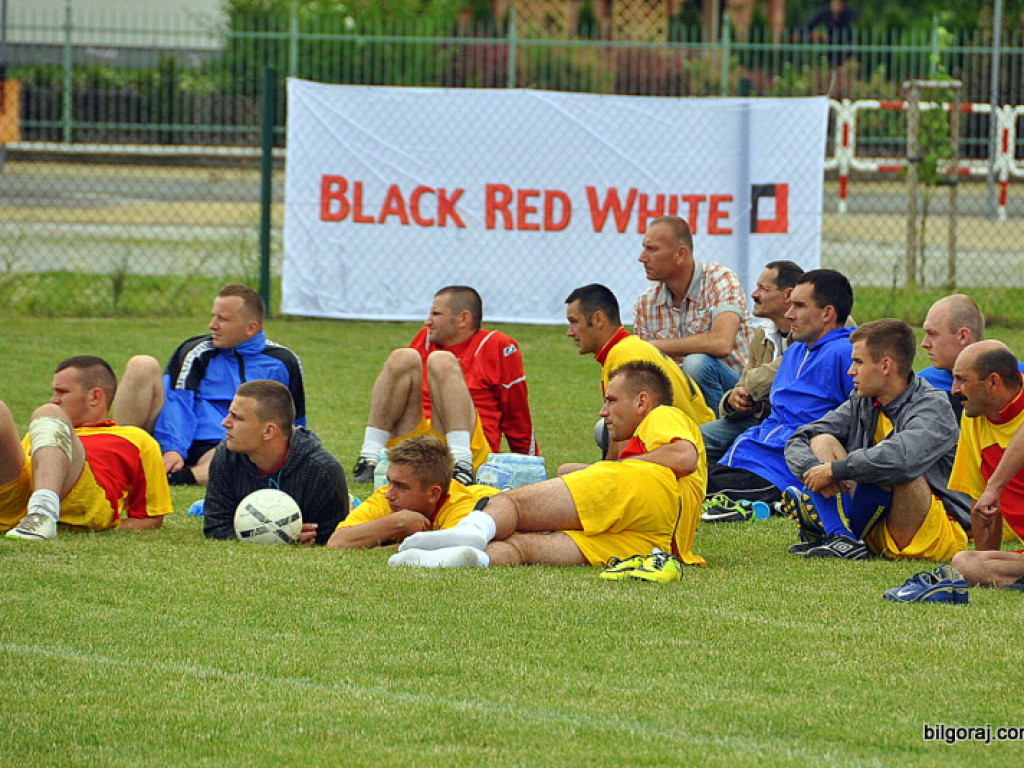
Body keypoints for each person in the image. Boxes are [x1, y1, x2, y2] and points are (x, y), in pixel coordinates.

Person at [389, 361, 706, 571]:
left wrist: (614, 468)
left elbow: (683, 457)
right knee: (522, 549)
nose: (603, 410)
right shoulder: (646, 449)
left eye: (611, 400)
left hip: (645, 495)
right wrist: (592, 471)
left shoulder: (663, 415)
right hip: (658, 543)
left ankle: (470, 532)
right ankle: (462, 559)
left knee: (510, 503)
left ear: (641, 401)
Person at [783, 319, 969, 560]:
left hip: (932, 534)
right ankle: (840, 536)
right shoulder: (863, 401)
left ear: (885, 366)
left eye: (858, 362)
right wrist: (813, 471)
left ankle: (825, 524)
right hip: (877, 523)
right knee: (821, 440)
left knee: (896, 466)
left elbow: (901, 460)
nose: (851, 371)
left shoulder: (933, 406)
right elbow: (800, 436)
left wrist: (836, 470)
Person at [113, 284, 306, 487]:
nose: (212, 325)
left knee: (238, 455)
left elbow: (293, 418)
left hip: (228, 445)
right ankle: (119, 456)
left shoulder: (284, 361)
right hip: (179, 435)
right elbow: (178, 404)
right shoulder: (196, 352)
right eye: (213, 316)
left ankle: (173, 478)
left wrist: (297, 454)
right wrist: (173, 449)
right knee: (141, 364)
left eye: (222, 319)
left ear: (251, 328)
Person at [351, 285, 538, 485]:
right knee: (402, 356)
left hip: (467, 444)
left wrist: (531, 463)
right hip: (418, 443)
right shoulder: (425, 338)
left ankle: (461, 464)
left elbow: (517, 413)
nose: (427, 321)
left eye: (436, 314)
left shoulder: (496, 344)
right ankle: (369, 457)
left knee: (441, 360)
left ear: (463, 318)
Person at [703, 269, 855, 512]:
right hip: (751, 451)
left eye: (799, 306)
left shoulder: (846, 353)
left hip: (782, 469)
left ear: (827, 313)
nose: (789, 314)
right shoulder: (795, 351)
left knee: (692, 491)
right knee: (686, 477)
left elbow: (862, 418)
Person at [3, 356, 172, 541]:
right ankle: (37, 513)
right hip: (21, 500)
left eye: (62, 392)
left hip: (82, 498)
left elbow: (150, 517)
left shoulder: (135, 438)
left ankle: (42, 514)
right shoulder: (41, 431)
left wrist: (109, 529)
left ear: (94, 397)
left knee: (48, 412)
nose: (54, 399)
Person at [564, 283, 713, 459]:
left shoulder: (625, 355)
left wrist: (606, 474)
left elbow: (628, 431)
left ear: (597, 319)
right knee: (604, 428)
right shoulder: (629, 348)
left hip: (694, 453)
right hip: (696, 441)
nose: (569, 332)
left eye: (574, 322)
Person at [203, 380, 347, 546]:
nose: (225, 422)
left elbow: (333, 537)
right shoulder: (227, 456)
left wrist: (310, 540)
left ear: (269, 431)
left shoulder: (322, 471)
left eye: (237, 418)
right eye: (229, 414)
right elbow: (215, 525)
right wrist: (274, 538)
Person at [632, 215, 753, 409]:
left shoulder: (720, 279)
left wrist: (653, 346)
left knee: (696, 364)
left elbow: (722, 343)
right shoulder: (646, 303)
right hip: (682, 396)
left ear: (680, 254)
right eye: (644, 247)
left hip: (739, 394)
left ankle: (718, 433)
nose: (642, 258)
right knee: (604, 429)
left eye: (652, 249)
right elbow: (645, 372)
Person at [700, 260, 802, 462]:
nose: (754, 295)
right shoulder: (762, 333)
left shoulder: (813, 329)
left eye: (763, 289)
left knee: (697, 363)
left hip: (790, 425)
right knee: (693, 440)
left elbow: (755, 382)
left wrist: (752, 387)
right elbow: (744, 385)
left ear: (788, 295)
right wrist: (733, 401)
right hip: (757, 418)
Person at [946, 341, 1024, 590]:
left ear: (993, 382)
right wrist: (981, 564)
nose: (953, 389)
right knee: (964, 562)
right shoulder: (974, 415)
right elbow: (980, 502)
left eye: (961, 380)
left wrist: (995, 486)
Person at [328, 436, 499, 549]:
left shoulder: (462, 507)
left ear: (433, 494)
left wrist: (388, 546)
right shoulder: (388, 497)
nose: (389, 494)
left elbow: (453, 551)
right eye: (389, 482)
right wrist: (398, 522)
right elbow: (337, 542)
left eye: (401, 486)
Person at [918, 294, 1024, 420]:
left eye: (933, 334)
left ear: (963, 337)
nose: (924, 344)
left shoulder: (1016, 378)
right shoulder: (924, 385)